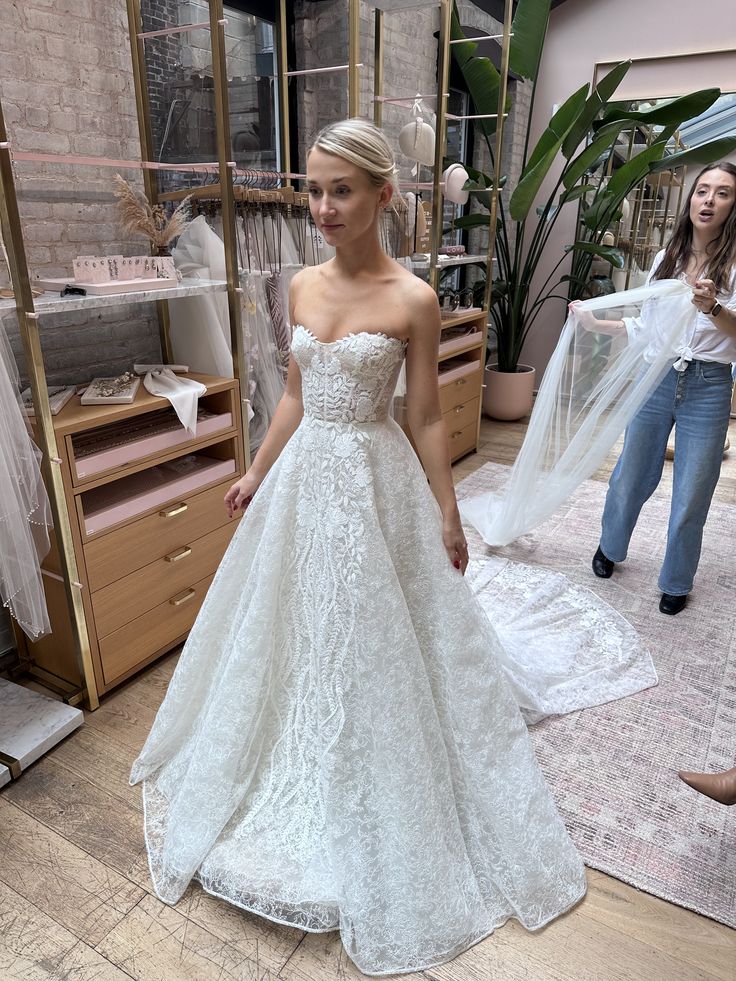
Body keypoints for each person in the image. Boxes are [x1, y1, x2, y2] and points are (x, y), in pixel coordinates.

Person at [130, 119, 586, 976]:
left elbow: (417, 415)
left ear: (383, 195)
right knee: (288, 619)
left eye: (342, 190)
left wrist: (448, 513)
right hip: (304, 475)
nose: (324, 206)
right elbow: (296, 394)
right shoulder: (300, 285)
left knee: (377, 627)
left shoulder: (413, 298)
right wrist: (257, 471)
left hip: (376, 478)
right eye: (313, 189)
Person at [585, 163, 736, 615]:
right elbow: (649, 328)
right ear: (690, 200)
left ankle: (676, 580)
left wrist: (713, 308)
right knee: (631, 474)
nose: (708, 200)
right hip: (656, 377)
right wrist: (598, 322)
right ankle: (610, 546)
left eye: (723, 193)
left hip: (708, 386)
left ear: (734, 207)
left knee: (693, 489)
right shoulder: (664, 260)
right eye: (702, 190)